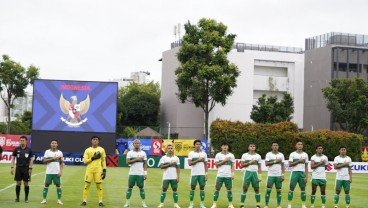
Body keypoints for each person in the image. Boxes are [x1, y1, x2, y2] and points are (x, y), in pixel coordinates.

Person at [80, 136, 107, 207]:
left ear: (98, 141)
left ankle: (100, 201)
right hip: (89, 170)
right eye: (94, 139)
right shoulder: (87, 150)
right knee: (87, 186)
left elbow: (103, 160)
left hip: (98, 170)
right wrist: (93, 158)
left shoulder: (101, 150)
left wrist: (104, 170)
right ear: (91, 141)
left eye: (96, 140)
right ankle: (84, 201)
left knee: (99, 186)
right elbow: (85, 161)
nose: (95, 141)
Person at [124, 139, 148, 207]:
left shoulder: (143, 153)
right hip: (132, 173)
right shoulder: (130, 153)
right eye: (135, 143)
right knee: (129, 187)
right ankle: (127, 202)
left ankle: (143, 203)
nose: (137, 144)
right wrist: (136, 159)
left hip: (140, 174)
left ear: (140, 144)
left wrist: (145, 173)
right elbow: (127, 162)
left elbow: (145, 164)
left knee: (141, 188)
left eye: (138, 143)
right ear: (133, 144)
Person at [210, 141, 235, 208]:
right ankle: (214, 204)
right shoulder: (218, 155)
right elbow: (216, 165)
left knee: (229, 189)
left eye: (226, 145)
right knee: (217, 189)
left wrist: (232, 174)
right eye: (223, 145)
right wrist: (225, 160)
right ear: (221, 147)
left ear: (228, 147)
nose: (225, 147)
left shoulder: (231, 155)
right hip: (220, 175)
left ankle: (230, 204)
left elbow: (232, 166)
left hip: (228, 175)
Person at [10, 135, 34, 203]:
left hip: (26, 168)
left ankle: (26, 198)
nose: (22, 141)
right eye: (21, 140)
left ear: (26, 141)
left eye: (23, 140)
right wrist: (12, 167)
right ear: (19, 141)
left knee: (26, 183)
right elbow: (13, 158)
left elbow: (31, 159)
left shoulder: (29, 150)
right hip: (18, 168)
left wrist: (30, 168)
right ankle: (17, 198)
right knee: (18, 183)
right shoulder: (16, 149)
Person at [41, 139, 64, 205]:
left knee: (58, 185)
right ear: (50, 144)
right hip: (49, 172)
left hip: (57, 172)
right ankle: (44, 200)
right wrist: (53, 159)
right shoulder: (47, 152)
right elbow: (44, 161)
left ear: (57, 144)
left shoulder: (60, 152)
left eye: (55, 143)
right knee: (46, 184)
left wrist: (61, 171)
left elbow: (62, 162)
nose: (54, 144)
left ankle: (59, 200)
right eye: (52, 143)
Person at [158, 143, 181, 208]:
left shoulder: (176, 158)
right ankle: (161, 204)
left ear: (173, 150)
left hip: (174, 177)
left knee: (175, 189)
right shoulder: (163, 158)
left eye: (171, 148)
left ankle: (176, 204)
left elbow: (178, 168)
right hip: (166, 177)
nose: (170, 150)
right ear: (166, 150)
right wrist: (169, 164)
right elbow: (161, 167)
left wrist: (178, 176)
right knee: (164, 189)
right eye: (169, 148)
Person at [287, 140, 309, 208]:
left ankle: (303, 205)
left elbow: (306, 166)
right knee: (291, 188)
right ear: (296, 146)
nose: (300, 145)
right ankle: (289, 204)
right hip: (294, 173)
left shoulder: (305, 154)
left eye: (301, 144)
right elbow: (290, 165)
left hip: (302, 174)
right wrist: (298, 161)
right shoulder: (292, 154)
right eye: (298, 144)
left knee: (303, 189)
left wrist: (306, 176)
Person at [240, 143, 262, 208]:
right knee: (245, 188)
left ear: (255, 148)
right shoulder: (244, 155)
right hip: (247, 173)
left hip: (255, 173)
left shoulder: (258, 156)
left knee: (257, 189)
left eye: (253, 146)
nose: (252, 147)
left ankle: (258, 205)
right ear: (248, 147)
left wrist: (260, 176)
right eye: (251, 146)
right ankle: (242, 205)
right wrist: (250, 162)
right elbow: (242, 165)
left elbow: (259, 167)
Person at [264, 141, 285, 208]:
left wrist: (283, 175)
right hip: (270, 175)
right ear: (272, 147)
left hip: (278, 176)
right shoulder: (268, 154)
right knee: (268, 190)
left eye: (276, 145)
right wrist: (275, 161)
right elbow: (266, 164)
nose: (275, 146)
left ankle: (278, 205)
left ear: (278, 146)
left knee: (279, 191)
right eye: (274, 145)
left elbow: (283, 166)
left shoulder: (281, 155)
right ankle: (266, 205)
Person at [188, 139, 208, 208]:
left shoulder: (204, 154)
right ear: (194, 145)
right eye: (197, 144)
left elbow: (206, 165)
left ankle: (202, 204)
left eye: (199, 144)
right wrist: (198, 160)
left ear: (201, 145)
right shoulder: (191, 153)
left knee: (202, 188)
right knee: (192, 188)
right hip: (194, 174)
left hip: (202, 174)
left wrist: (206, 174)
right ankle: (191, 204)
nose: (198, 145)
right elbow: (190, 163)